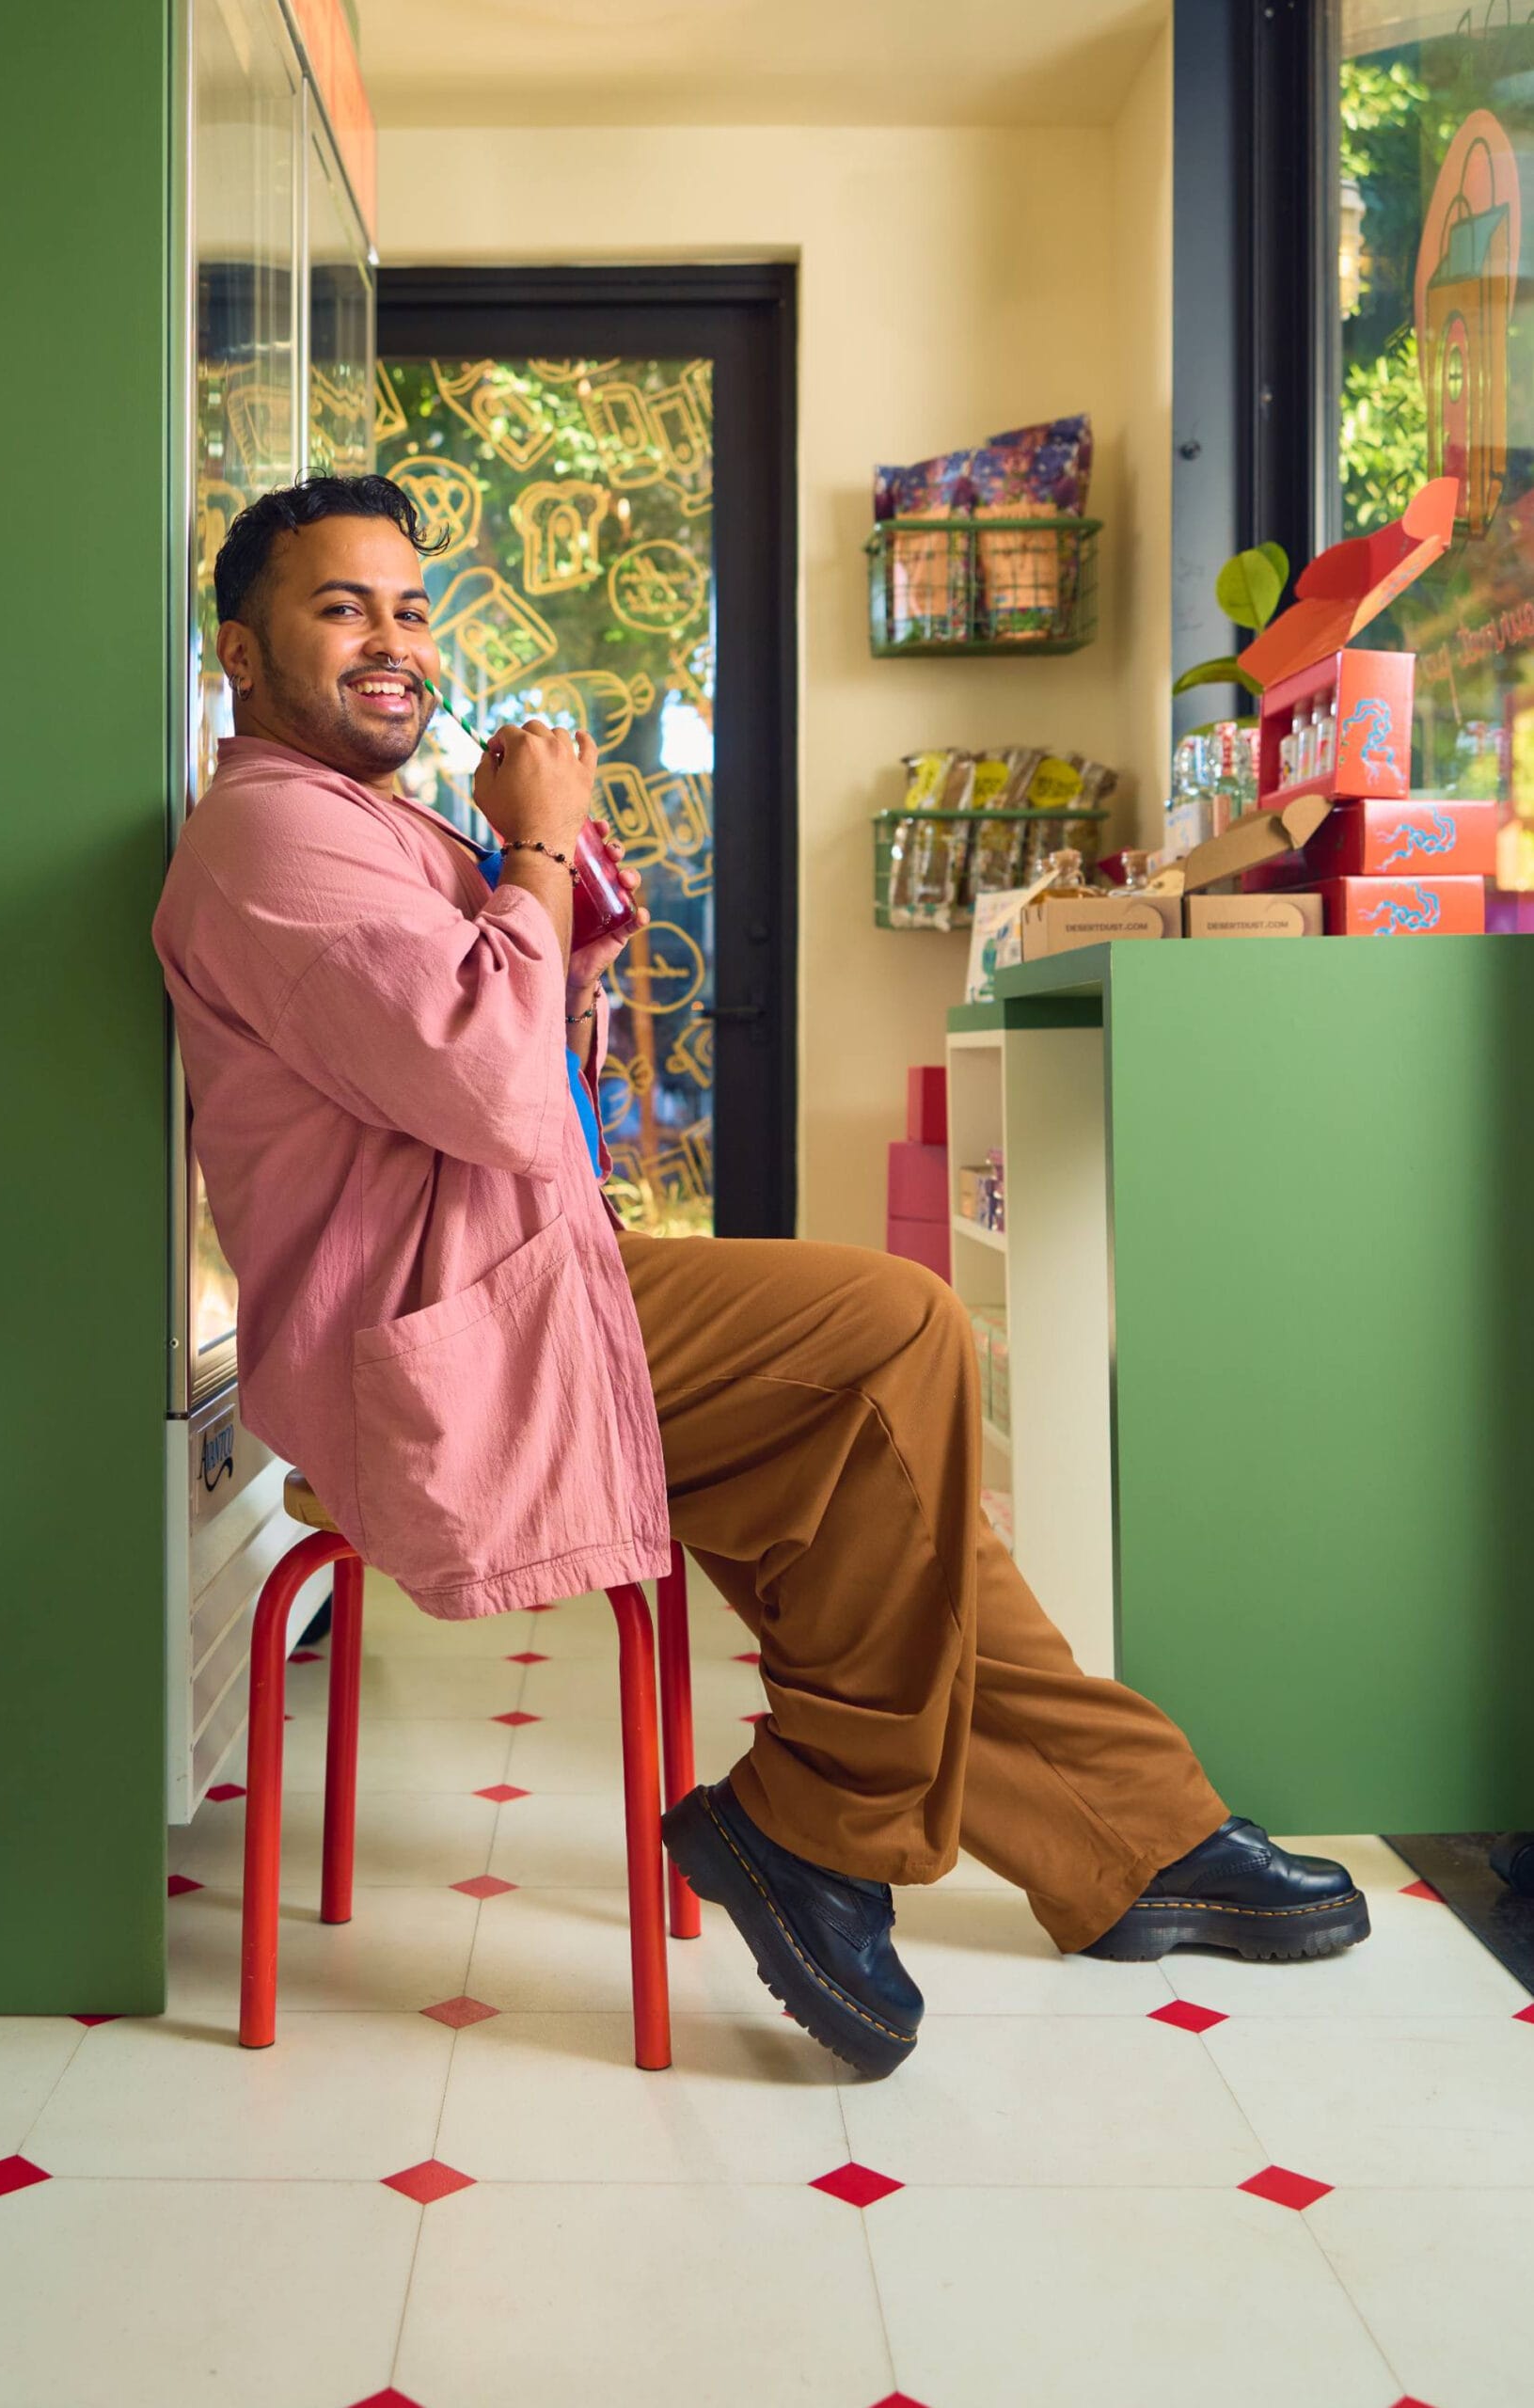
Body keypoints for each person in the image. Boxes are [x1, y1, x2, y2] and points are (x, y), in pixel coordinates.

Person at [153, 474, 1368, 2082]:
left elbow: (509, 1020)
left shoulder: (357, 817)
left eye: (412, 607)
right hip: (435, 1341)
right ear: (240, 649)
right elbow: (487, 1076)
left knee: (880, 1476)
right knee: (892, 1328)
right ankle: (822, 1818)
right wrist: (529, 843)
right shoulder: (266, 834)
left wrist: (536, 876)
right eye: (341, 608)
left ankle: (1135, 1835)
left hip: (506, 1288)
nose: (395, 643)